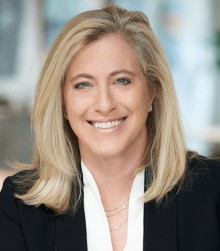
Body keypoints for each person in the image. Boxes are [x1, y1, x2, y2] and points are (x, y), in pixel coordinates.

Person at [0, 4, 220, 251]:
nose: (104, 104)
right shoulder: (19, 205)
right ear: (62, 101)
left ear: (152, 91)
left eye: (121, 81)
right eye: (83, 85)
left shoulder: (212, 191)